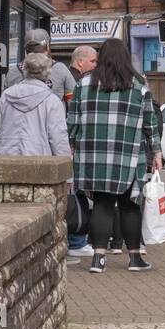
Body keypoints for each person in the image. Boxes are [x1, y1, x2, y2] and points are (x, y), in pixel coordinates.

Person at [67, 38, 162, 274]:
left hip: (93, 156)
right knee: (130, 206)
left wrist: (71, 146)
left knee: (102, 204)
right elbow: (150, 125)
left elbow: (72, 123)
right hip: (129, 155)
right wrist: (157, 153)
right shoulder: (139, 88)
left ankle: (98, 259)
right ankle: (135, 259)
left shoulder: (83, 85)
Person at [0, 53, 70, 156]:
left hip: (6, 156)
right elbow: (58, 138)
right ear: (48, 72)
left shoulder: (7, 95)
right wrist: (65, 164)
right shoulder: (52, 100)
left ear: (24, 69)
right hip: (38, 159)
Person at [64, 44, 98, 256]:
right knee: (75, 195)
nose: (96, 66)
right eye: (93, 61)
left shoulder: (75, 79)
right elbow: (73, 117)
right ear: (80, 61)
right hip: (70, 147)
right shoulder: (76, 82)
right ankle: (76, 241)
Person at [5, 28, 76, 102]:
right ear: (48, 47)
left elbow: (4, 103)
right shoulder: (60, 69)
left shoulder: (13, 72)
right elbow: (72, 102)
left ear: (26, 50)